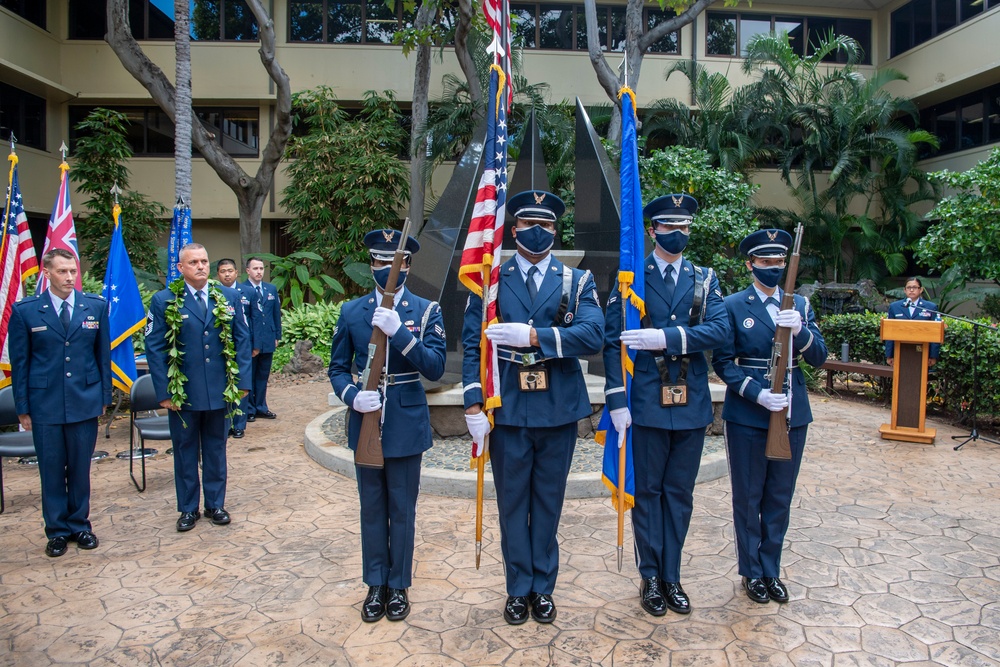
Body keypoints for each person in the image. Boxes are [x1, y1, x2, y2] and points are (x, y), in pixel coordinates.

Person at [462, 189, 604, 626]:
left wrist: (535, 337)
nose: (537, 232)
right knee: (511, 502)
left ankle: (543, 587)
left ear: (554, 230)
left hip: (557, 406)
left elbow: (593, 335)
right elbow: (472, 345)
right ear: (514, 228)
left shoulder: (577, 280)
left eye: (545, 225)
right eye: (528, 224)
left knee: (547, 501)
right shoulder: (489, 281)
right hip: (507, 406)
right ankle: (517, 586)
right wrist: (472, 404)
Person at [602, 194, 730, 617]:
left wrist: (668, 339)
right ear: (653, 230)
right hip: (646, 402)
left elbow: (720, 329)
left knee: (679, 493)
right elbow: (611, 339)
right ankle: (651, 575)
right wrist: (617, 398)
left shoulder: (704, 278)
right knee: (649, 491)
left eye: (685, 228)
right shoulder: (631, 278)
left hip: (689, 402)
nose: (679, 234)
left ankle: (672, 575)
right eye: (670, 227)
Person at [328, 229, 446, 623]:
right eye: (377, 262)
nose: (384, 269)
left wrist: (399, 334)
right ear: (371, 265)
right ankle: (375, 583)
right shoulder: (351, 312)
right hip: (367, 418)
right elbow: (337, 368)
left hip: (407, 419)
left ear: (407, 266)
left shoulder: (426, 310)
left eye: (391, 262)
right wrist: (351, 397)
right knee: (372, 508)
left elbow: (434, 367)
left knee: (403, 508)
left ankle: (399, 585)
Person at [712, 228, 827, 604]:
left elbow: (820, 357)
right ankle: (751, 571)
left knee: (779, 495)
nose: (773, 268)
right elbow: (724, 363)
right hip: (748, 413)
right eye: (765, 262)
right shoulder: (732, 305)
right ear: (750, 265)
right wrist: (756, 393)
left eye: (779, 262)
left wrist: (802, 332)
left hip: (792, 413)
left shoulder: (801, 307)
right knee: (749, 496)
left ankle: (770, 568)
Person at [9, 249, 112, 558]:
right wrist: (23, 407)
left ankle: (80, 525)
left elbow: (102, 356)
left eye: (73, 271)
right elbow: (21, 363)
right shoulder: (26, 311)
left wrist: (104, 398)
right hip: (46, 404)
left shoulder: (94, 307)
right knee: (52, 470)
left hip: (84, 399)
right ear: (47, 273)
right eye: (63, 271)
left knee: (80, 468)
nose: (69, 277)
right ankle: (56, 531)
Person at [145, 243, 252, 532]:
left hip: (220, 389)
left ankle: (215, 504)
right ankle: (188, 509)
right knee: (185, 451)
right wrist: (165, 393)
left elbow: (243, 340)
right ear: (181, 268)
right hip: (184, 394)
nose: (201, 266)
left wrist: (242, 383)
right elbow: (155, 348)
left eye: (204, 261)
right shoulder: (164, 300)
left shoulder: (228, 296)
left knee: (217, 450)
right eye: (193, 262)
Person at [217, 258, 253, 438]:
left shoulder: (239, 294)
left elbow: (244, 329)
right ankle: (225, 424)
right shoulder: (213, 294)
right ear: (218, 274)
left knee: (240, 388)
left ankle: (239, 424)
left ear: (236, 272)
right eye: (223, 271)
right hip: (219, 356)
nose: (227, 274)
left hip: (237, 352)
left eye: (230, 271)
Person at [244, 257, 282, 422]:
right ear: (248, 271)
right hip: (250, 340)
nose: (259, 272)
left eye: (261, 268)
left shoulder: (270, 289)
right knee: (250, 375)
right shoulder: (242, 289)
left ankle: (261, 406)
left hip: (268, 337)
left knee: (263, 375)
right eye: (255, 269)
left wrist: (277, 335)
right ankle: (249, 408)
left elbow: (275, 314)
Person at [885, 277, 940, 367]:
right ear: (904, 290)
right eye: (908, 287)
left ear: (921, 289)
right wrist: (889, 355)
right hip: (901, 351)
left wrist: (933, 356)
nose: (911, 290)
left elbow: (935, 333)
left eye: (914, 287)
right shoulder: (895, 307)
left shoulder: (930, 307)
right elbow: (889, 332)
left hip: (923, 352)